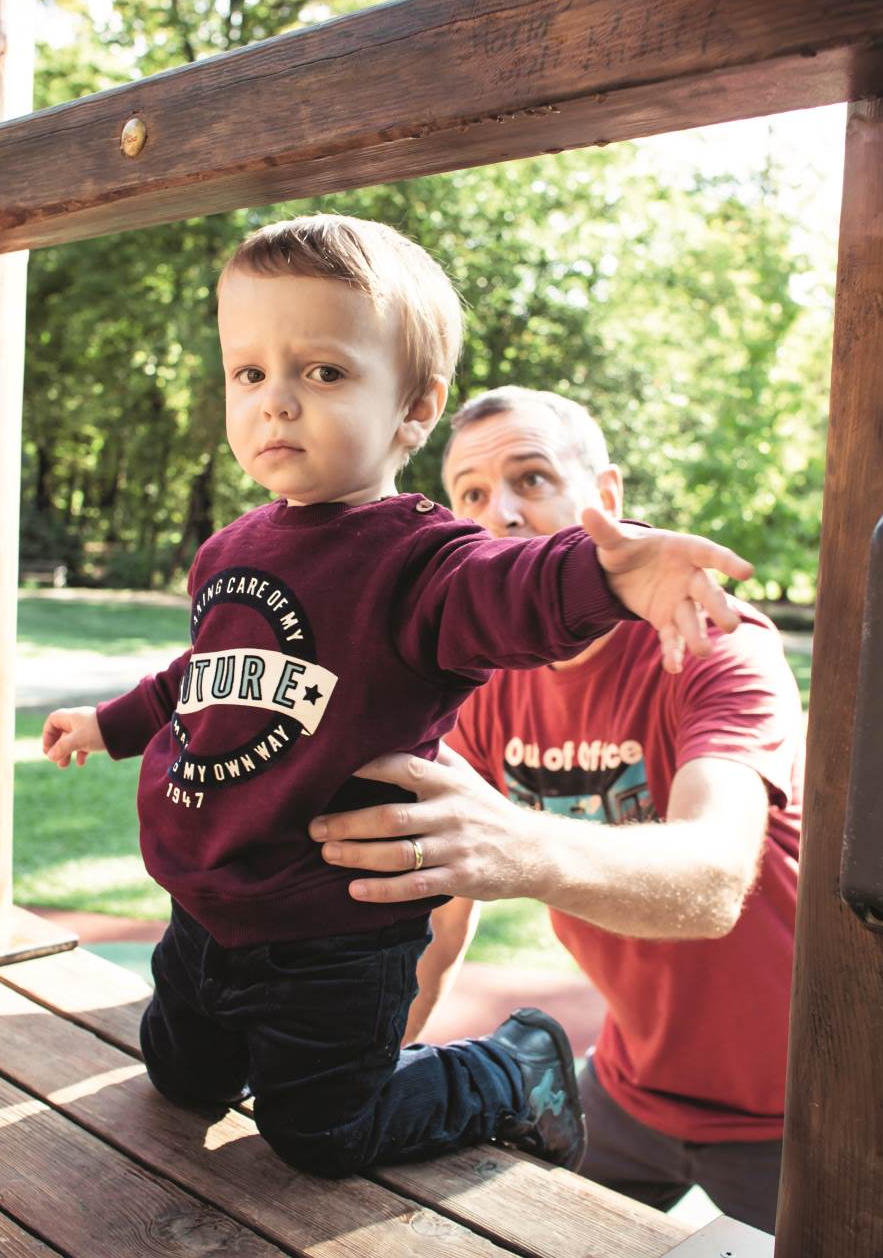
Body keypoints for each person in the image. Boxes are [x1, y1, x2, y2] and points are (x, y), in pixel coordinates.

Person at [39, 217, 755, 1180]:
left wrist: (617, 574)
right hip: (205, 899)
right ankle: (253, 1050)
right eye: (249, 374)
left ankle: (514, 1071)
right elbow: (197, 677)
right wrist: (110, 724)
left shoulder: (422, 562)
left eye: (323, 373)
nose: (276, 403)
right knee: (179, 1077)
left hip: (331, 931)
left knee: (323, 1133)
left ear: (414, 409)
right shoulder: (229, 549)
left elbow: (521, 591)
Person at [307, 386, 804, 1231]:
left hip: (800, 1116)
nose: (497, 513)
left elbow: (715, 881)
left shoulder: (719, 645)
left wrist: (516, 847)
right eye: (468, 494)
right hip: (630, 1089)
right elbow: (440, 916)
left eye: (530, 478)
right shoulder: (484, 682)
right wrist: (369, 1074)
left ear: (604, 498)